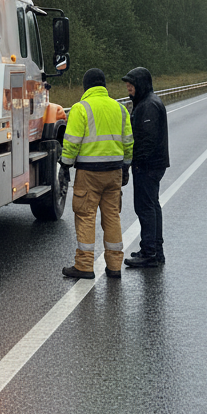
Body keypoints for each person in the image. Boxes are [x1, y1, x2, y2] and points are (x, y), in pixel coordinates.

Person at [61, 68, 134, 281]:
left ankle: (84, 265)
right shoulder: (120, 109)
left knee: (85, 216)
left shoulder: (81, 108)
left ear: (86, 86)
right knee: (112, 216)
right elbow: (128, 141)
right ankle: (114, 266)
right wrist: (126, 166)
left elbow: (72, 142)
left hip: (89, 173)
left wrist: (65, 165)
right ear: (103, 85)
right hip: (114, 173)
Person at [121, 66, 169, 269]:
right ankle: (155, 250)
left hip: (148, 165)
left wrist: (136, 161)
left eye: (131, 85)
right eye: (128, 86)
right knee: (152, 206)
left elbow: (146, 140)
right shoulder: (146, 102)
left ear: (140, 84)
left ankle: (150, 253)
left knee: (145, 207)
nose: (129, 89)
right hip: (153, 164)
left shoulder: (148, 106)